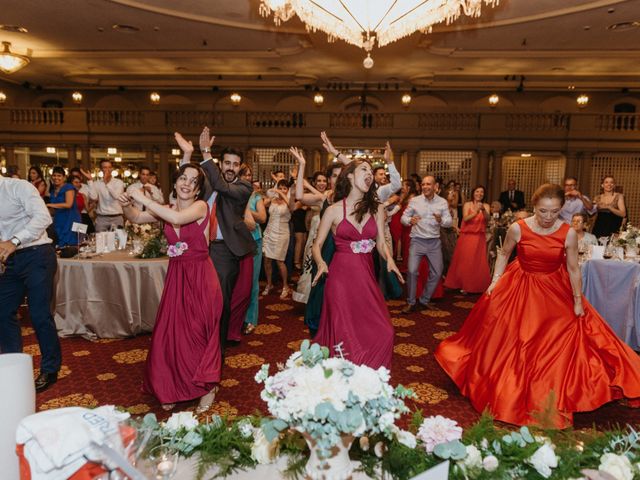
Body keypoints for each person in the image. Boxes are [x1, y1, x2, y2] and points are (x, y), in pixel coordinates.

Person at [435, 183, 640, 428]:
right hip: (520, 285)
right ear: (535, 207)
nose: (548, 216)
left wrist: (577, 301)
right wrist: (496, 281)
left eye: (554, 211)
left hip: (554, 289)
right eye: (543, 211)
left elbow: (574, 268)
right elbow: (503, 254)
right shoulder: (517, 228)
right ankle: (511, 391)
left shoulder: (568, 233)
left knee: (560, 339)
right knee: (513, 337)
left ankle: (548, 396)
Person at [119, 163, 223, 413]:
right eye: (183, 178)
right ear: (175, 183)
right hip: (177, 277)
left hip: (201, 277)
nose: (187, 183)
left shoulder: (201, 207)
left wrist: (142, 197)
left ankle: (207, 387)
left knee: (198, 333)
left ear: (198, 189)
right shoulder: (165, 209)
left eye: (193, 181)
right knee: (173, 334)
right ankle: (172, 386)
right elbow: (134, 216)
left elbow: (177, 218)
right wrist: (125, 202)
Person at [312, 160, 402, 369]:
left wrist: (389, 259)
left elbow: (380, 242)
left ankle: (368, 378)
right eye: (364, 170)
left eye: (372, 171)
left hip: (366, 276)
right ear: (350, 176)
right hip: (340, 279)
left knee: (384, 331)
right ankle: (344, 381)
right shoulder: (333, 210)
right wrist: (321, 263)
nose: (369, 174)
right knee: (344, 333)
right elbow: (316, 245)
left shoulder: (377, 209)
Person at [188, 128, 256, 350]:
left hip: (224, 251)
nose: (231, 168)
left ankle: (217, 346)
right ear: (222, 163)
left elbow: (222, 187)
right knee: (195, 297)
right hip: (198, 247)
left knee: (220, 300)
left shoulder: (244, 187)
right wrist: (188, 155)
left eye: (235, 165)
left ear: (240, 167)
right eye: (227, 163)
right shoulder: (208, 183)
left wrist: (206, 153)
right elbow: (186, 184)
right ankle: (196, 339)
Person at [0, 175, 61, 392]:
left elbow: (43, 217)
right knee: (3, 312)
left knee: (39, 313)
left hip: (36, 254)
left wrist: (14, 240)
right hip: (9, 260)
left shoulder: (17, 187)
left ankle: (50, 369)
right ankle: (12, 366)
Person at [401, 175, 453, 313]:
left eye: (428, 184)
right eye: (423, 184)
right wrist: (409, 220)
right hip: (417, 240)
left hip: (434, 242)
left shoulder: (442, 202)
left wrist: (441, 220)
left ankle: (424, 299)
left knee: (437, 272)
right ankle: (411, 302)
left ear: (435, 187)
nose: (425, 187)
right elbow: (403, 218)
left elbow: (449, 222)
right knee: (411, 271)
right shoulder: (414, 201)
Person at [290, 150, 330, 305]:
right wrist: (294, 189)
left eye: (324, 181)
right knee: (309, 268)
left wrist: (305, 183)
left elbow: (324, 199)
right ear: (315, 182)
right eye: (319, 181)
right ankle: (310, 298)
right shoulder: (311, 197)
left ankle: (323, 299)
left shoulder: (330, 195)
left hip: (325, 238)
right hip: (312, 238)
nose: (321, 183)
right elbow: (293, 207)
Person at [444, 185, 491, 293]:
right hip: (467, 236)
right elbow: (465, 218)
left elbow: (488, 219)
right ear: (473, 193)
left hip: (479, 237)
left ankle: (473, 285)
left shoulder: (486, 206)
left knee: (476, 262)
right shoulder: (467, 204)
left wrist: (483, 210)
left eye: (481, 192)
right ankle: (461, 283)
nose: (479, 194)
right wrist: (475, 212)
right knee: (465, 261)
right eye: (477, 191)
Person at [239, 164, 266, 334]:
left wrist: (246, 207)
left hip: (254, 241)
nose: (248, 177)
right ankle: (237, 317)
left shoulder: (255, 196)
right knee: (237, 282)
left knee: (252, 282)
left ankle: (250, 319)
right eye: (244, 174)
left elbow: (262, 217)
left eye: (249, 175)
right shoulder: (230, 194)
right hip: (236, 242)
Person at [262, 179, 294, 298]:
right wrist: (272, 196)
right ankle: (269, 284)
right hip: (270, 232)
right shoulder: (273, 200)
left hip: (282, 234)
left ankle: (285, 285)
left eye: (284, 188)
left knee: (280, 261)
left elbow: (291, 207)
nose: (281, 190)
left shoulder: (290, 201)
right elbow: (263, 204)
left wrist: (281, 194)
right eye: (279, 188)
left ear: (288, 190)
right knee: (267, 260)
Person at [80, 159, 125, 232]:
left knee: (118, 241)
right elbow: (93, 197)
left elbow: (116, 196)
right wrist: (90, 181)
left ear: (112, 169)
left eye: (109, 167)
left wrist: (106, 183)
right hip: (102, 218)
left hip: (117, 217)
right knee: (100, 241)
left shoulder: (118, 182)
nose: (107, 169)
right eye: (105, 167)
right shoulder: (97, 183)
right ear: (101, 169)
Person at [46, 167, 81, 247]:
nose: (56, 178)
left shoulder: (68, 187)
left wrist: (49, 205)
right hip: (59, 220)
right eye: (54, 175)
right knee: (59, 245)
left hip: (71, 219)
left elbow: (69, 204)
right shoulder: (52, 191)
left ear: (64, 177)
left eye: (59, 176)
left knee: (72, 244)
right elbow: (54, 211)